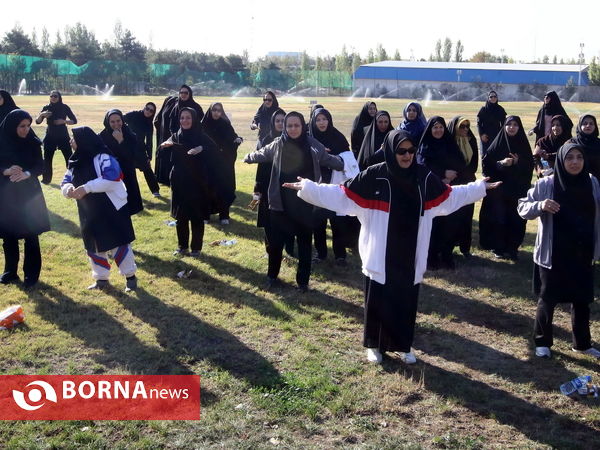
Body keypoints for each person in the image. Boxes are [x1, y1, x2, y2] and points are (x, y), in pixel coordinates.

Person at [282, 130, 499, 364]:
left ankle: (402, 344)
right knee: (378, 300)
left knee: (405, 300)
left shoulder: (423, 177)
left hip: (410, 251)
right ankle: (374, 345)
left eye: (411, 151)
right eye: (401, 151)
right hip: (380, 251)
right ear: (390, 151)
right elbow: (341, 194)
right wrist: (309, 188)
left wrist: (479, 188)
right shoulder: (374, 176)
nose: (407, 156)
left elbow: (449, 196)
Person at [244, 111, 344, 292]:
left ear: (303, 126)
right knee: (275, 245)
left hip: (305, 204)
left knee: (305, 244)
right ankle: (272, 277)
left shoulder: (313, 145)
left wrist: (345, 163)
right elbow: (262, 154)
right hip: (279, 204)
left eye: (296, 125)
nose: (292, 129)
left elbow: (329, 160)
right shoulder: (277, 144)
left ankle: (303, 282)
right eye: (289, 125)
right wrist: (248, 157)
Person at [518, 142, 600, 359]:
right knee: (548, 298)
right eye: (569, 157)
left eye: (579, 157)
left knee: (582, 300)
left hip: (583, 251)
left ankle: (581, 344)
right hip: (553, 252)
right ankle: (542, 341)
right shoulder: (547, 184)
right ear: (561, 160)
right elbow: (522, 207)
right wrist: (540, 205)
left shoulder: (591, 183)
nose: (574, 162)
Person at [61, 127, 137, 292]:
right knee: (93, 243)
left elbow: (112, 178)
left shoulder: (104, 157)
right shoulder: (74, 160)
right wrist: (68, 190)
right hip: (88, 210)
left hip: (111, 207)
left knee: (118, 241)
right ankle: (101, 278)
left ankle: (130, 277)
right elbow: (66, 180)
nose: (71, 141)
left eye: (73, 138)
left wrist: (86, 188)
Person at [160, 108, 234, 257]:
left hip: (198, 183)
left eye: (188, 118)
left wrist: (202, 149)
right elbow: (161, 156)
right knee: (181, 217)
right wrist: (164, 147)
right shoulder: (175, 136)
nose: (185, 121)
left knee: (196, 216)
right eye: (182, 118)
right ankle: (182, 247)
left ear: (193, 119)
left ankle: (196, 248)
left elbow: (216, 154)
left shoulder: (201, 137)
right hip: (179, 182)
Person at [0, 109, 50, 288]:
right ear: (13, 126)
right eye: (22, 126)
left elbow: (40, 165)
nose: (26, 129)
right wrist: (6, 171)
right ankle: (10, 271)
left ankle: (31, 274)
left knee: (31, 234)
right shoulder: (2, 140)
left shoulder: (32, 142)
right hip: (6, 194)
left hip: (29, 194)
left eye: (28, 126)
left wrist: (27, 173)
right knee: (8, 234)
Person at [480, 116, 534, 259]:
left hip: (517, 190)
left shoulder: (523, 145)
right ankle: (498, 247)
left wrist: (518, 162)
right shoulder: (497, 144)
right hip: (499, 190)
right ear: (504, 126)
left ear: (519, 127)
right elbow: (487, 166)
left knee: (516, 219)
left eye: (515, 124)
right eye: (509, 124)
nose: (512, 127)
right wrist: (501, 164)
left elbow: (529, 167)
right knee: (498, 217)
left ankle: (512, 248)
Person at [417, 116, 467, 269]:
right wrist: (442, 175)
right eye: (435, 127)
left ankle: (446, 254)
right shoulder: (425, 146)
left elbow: (460, 163)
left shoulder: (449, 144)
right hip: (432, 191)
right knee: (434, 225)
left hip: (450, 190)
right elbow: (422, 166)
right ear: (430, 129)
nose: (438, 130)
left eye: (441, 127)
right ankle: (431, 256)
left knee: (450, 223)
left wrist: (451, 177)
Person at [309, 107, 355, 264]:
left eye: (324, 119)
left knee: (338, 222)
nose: (322, 123)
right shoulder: (310, 138)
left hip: (336, 186)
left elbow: (348, 160)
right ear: (313, 122)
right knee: (318, 223)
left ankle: (340, 254)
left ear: (329, 120)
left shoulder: (338, 137)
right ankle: (320, 253)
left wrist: (331, 157)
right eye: (318, 120)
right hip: (318, 185)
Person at [201, 102, 243, 225]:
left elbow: (233, 137)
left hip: (222, 163)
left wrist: (237, 140)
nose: (216, 112)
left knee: (223, 188)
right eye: (214, 110)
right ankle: (205, 215)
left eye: (219, 110)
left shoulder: (225, 124)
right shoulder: (203, 125)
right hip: (207, 163)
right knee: (207, 188)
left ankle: (224, 215)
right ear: (210, 110)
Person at [99, 109, 144, 215]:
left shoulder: (130, 135)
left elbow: (131, 156)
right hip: (110, 176)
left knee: (127, 209)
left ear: (122, 121)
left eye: (118, 121)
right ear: (108, 122)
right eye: (112, 122)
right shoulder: (102, 136)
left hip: (126, 175)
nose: (116, 124)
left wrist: (120, 141)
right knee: (113, 210)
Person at [448, 116, 479, 258]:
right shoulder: (449, 143)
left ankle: (465, 248)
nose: (465, 129)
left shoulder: (470, 141)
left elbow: (474, 163)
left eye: (467, 126)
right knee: (452, 216)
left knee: (467, 216)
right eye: (462, 126)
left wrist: (467, 174)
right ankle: (449, 245)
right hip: (453, 183)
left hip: (467, 182)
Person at [35, 90, 77, 184]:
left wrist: (63, 121)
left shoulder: (65, 107)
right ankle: (46, 180)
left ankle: (74, 178)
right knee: (47, 160)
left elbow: (74, 120)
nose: (53, 98)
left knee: (69, 158)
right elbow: (37, 122)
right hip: (50, 135)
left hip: (63, 135)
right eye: (51, 96)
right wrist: (42, 115)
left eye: (55, 96)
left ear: (59, 98)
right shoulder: (46, 107)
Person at [124, 102, 161, 197]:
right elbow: (120, 119)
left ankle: (155, 190)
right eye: (147, 108)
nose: (148, 111)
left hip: (140, 148)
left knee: (147, 169)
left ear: (153, 113)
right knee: (128, 170)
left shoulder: (149, 124)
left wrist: (149, 156)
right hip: (127, 147)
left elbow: (149, 141)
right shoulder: (134, 114)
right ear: (144, 107)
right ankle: (129, 192)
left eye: (151, 111)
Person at [154, 95, 178, 184]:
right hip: (166, 134)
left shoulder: (172, 104)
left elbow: (157, 120)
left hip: (167, 134)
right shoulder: (172, 103)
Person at [570, 115, 600, 180]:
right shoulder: (572, 142)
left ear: (595, 126)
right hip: (577, 180)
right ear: (580, 126)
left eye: (591, 124)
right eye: (585, 123)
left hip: (597, 181)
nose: (588, 126)